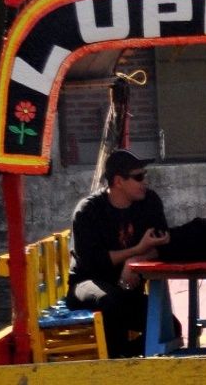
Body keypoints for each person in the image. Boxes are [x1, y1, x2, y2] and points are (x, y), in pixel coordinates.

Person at [67, 149, 170, 358]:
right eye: (138, 177)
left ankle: (124, 359)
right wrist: (136, 250)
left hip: (127, 290)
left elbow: (163, 243)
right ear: (118, 181)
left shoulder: (149, 202)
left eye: (145, 175)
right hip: (87, 282)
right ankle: (116, 365)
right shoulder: (88, 210)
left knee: (169, 327)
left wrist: (135, 260)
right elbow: (92, 262)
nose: (145, 182)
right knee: (110, 302)